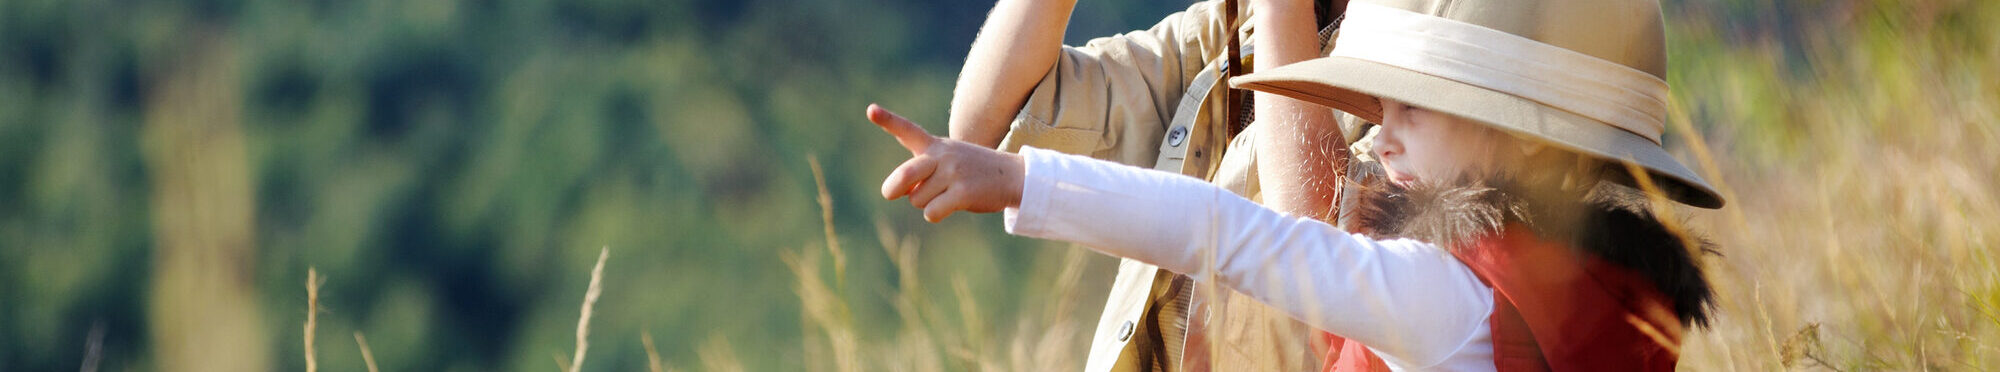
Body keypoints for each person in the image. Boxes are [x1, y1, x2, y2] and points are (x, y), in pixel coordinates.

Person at [868, 0, 1722, 369]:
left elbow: (1269, 235)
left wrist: (1020, 181)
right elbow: (988, 116)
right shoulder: (1582, 292)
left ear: (1522, 140)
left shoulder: (1456, 296)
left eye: (1410, 110)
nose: (1385, 135)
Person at [944, 0, 1365, 370]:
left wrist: (1282, 12)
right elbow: (988, 130)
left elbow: (1318, 255)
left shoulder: (1416, 44)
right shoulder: (1234, 26)